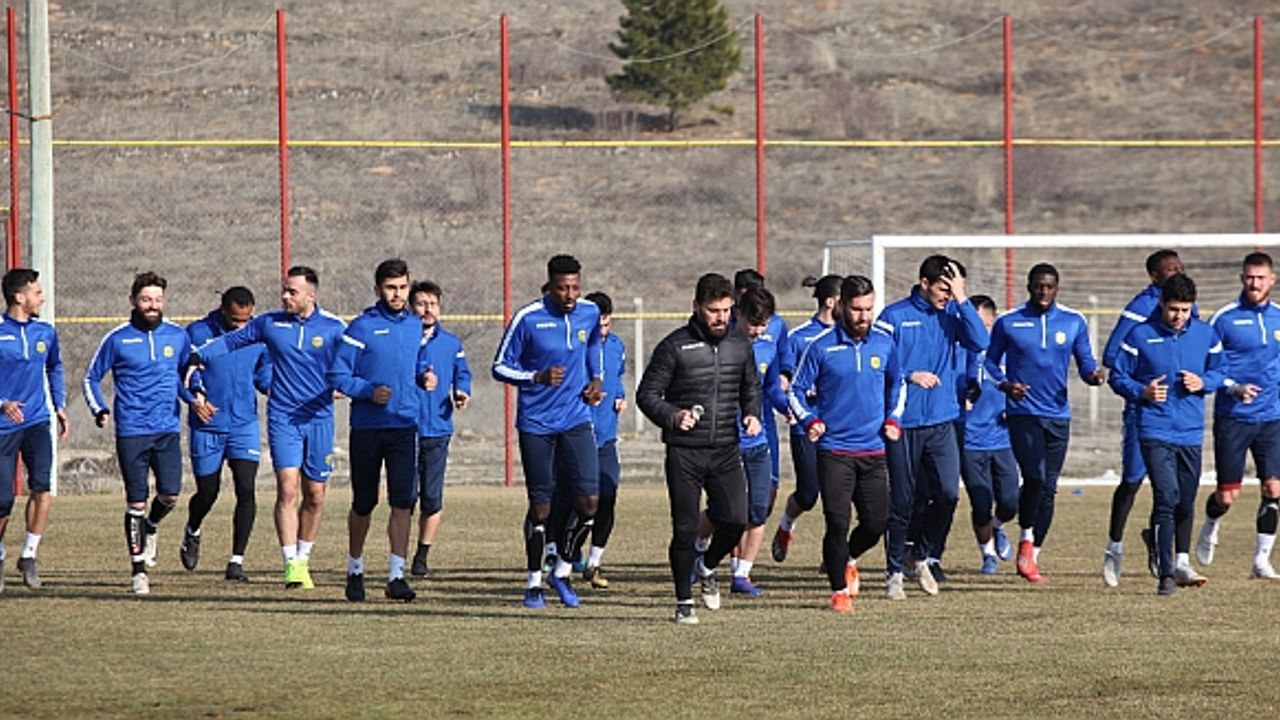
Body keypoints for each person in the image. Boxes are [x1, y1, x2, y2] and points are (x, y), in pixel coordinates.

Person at [189, 266, 346, 590]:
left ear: (311, 295)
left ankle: (303, 557)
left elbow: (355, 361)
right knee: (287, 488)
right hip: (283, 417)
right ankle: (291, 565)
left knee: (315, 495)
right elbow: (229, 341)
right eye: (284, 290)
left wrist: (349, 384)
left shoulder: (334, 327)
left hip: (319, 418)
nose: (285, 296)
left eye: (292, 292)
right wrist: (195, 357)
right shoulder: (269, 324)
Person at [637, 272, 761, 625]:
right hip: (685, 452)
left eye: (726, 310)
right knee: (685, 529)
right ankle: (683, 602)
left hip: (725, 449)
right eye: (713, 310)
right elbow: (646, 395)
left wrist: (752, 413)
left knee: (736, 520)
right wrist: (673, 416)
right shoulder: (674, 346)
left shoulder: (740, 345)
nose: (721, 317)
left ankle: (706, 566)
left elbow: (751, 387)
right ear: (696, 307)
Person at [492, 254, 604, 610]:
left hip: (576, 418)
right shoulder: (528, 318)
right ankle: (533, 583)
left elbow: (594, 346)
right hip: (536, 424)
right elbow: (499, 367)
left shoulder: (589, 312)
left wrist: (597, 378)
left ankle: (564, 569)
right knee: (541, 507)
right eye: (562, 288)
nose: (570, 295)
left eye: (575, 287)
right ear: (549, 286)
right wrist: (536, 377)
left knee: (590, 501)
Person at [875, 255, 987, 600]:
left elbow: (980, 342)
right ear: (924, 283)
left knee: (949, 494)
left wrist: (962, 297)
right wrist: (910, 375)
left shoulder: (953, 313)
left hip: (942, 420)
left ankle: (920, 554)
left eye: (952, 290)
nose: (947, 296)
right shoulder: (893, 316)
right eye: (943, 289)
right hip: (903, 422)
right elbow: (878, 364)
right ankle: (894, 571)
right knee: (903, 500)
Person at [788, 275, 902, 613]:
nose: (864, 316)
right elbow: (795, 390)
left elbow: (898, 385)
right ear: (841, 306)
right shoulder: (820, 346)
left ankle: (849, 558)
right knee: (837, 523)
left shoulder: (885, 343)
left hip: (874, 450)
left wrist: (894, 419)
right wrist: (810, 420)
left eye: (869, 309)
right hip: (834, 451)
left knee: (876, 523)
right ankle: (839, 591)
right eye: (857, 309)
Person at [986, 263, 1105, 584]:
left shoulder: (1073, 321)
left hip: (1058, 415)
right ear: (1029, 286)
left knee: (1049, 488)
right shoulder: (1009, 321)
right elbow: (989, 363)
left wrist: (1093, 376)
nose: (1044, 291)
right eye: (1038, 285)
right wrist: (1006, 386)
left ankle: (1032, 556)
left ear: (1057, 288)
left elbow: (1086, 362)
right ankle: (1025, 537)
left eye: (1049, 286)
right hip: (1023, 413)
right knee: (1035, 477)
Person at [1109, 273, 1223, 595]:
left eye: (1185, 310)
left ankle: (1181, 561)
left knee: (1186, 499)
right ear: (1161, 304)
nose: (1179, 316)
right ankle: (1166, 575)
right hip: (1154, 428)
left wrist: (1204, 382)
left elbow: (1221, 370)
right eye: (1173, 309)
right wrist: (1141, 391)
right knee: (1167, 496)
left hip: (1190, 431)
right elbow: (1117, 376)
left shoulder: (1205, 334)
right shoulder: (1140, 335)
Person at [84, 271, 195, 594]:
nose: (153, 305)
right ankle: (138, 571)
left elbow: (188, 373)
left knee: (170, 494)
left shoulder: (177, 335)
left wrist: (196, 396)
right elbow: (91, 378)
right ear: (133, 300)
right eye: (146, 299)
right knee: (136, 500)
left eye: (158, 299)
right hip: (132, 430)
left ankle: (151, 526)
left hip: (167, 429)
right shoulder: (117, 339)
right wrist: (100, 409)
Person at [328, 259, 424, 603]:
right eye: (390, 288)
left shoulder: (415, 325)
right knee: (364, 502)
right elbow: (338, 375)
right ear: (378, 289)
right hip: (368, 428)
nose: (397, 294)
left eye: (402, 288)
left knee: (403, 501)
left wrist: (424, 376)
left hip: (404, 426)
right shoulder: (361, 327)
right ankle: (355, 568)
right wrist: (368, 391)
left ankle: (397, 576)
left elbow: (415, 363)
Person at [1100, 249, 1186, 587]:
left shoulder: (1185, 309)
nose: (1177, 272)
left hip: (1177, 414)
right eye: (1169, 269)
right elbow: (1112, 354)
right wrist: (1143, 384)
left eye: (1179, 267)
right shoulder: (1141, 307)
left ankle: (1159, 543)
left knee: (1170, 489)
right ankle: (1114, 547)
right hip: (1144, 410)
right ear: (1154, 277)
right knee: (1133, 480)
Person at [695, 287, 788, 597]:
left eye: (764, 325)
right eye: (753, 324)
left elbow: (772, 387)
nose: (759, 331)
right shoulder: (720, 345)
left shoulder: (767, 347)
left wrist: (787, 407)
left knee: (759, 509)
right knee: (724, 511)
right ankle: (696, 546)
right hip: (724, 442)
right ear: (738, 315)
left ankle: (741, 575)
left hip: (756, 442)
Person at [180, 287, 271, 583]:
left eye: (246, 320)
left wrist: (278, 389)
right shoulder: (198, 332)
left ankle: (236, 562)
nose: (241, 326)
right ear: (222, 310)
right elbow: (187, 370)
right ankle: (193, 528)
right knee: (208, 492)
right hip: (207, 423)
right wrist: (197, 396)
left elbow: (264, 375)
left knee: (246, 488)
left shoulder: (259, 335)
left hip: (244, 424)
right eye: (235, 320)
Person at [1198, 252, 1280, 581]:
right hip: (1233, 418)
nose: (1254, 283)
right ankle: (1211, 523)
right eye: (1249, 277)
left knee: (1274, 489)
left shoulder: (1279, 317)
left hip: (1272, 418)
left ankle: (1261, 561)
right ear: (1241, 279)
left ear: (1272, 280)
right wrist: (1233, 387)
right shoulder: (1224, 318)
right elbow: (1207, 367)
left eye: (1260, 278)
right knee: (1227, 496)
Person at [0, 269, 68, 592]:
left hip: (37, 421)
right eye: (37, 293)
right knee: (3, 501)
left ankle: (29, 555)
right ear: (19, 297)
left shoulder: (46, 332)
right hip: (3, 426)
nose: (42, 298)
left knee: (42, 487)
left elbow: (54, 366)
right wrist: (2, 403)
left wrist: (60, 405)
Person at [771, 274, 840, 563]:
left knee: (838, 496)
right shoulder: (800, 337)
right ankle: (786, 525)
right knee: (809, 493)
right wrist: (791, 406)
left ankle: (835, 556)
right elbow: (785, 380)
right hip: (806, 426)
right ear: (831, 302)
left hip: (840, 426)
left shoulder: (852, 338)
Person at [408, 280, 471, 579]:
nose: (428, 309)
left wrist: (462, 391)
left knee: (432, 499)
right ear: (411, 307)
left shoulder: (451, 343)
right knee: (405, 498)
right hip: (405, 429)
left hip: (438, 430)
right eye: (421, 304)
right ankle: (397, 557)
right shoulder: (402, 339)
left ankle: (421, 557)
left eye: (433, 304)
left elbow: (463, 373)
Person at [958, 295, 1018, 574]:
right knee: (981, 504)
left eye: (982, 324)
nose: (976, 331)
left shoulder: (1006, 353)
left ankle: (997, 526)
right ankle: (988, 556)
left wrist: (1013, 409)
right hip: (970, 442)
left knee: (1010, 502)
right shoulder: (959, 350)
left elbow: (1021, 386)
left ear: (993, 322)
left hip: (1002, 438)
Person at [581, 290, 624, 589]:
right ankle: (562, 555)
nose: (603, 330)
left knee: (608, 495)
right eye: (598, 325)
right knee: (579, 501)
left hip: (607, 436)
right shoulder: (577, 346)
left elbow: (617, 377)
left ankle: (594, 562)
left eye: (607, 324)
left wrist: (619, 396)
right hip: (579, 434)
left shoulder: (617, 346)